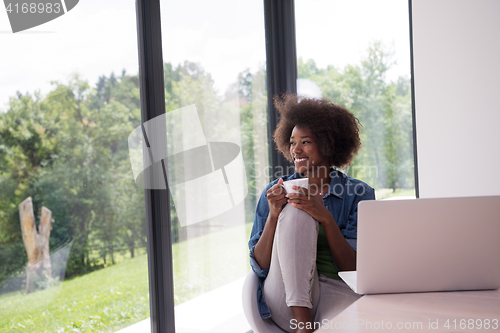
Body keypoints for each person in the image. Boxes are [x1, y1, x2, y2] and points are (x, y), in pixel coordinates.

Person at [248, 95, 375, 333]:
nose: (296, 149)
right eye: (292, 142)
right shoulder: (275, 192)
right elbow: (261, 266)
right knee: (296, 210)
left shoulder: (358, 193)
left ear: (329, 144)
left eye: (305, 142)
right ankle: (302, 322)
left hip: (337, 289)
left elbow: (355, 268)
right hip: (284, 295)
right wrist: (275, 215)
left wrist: (325, 217)